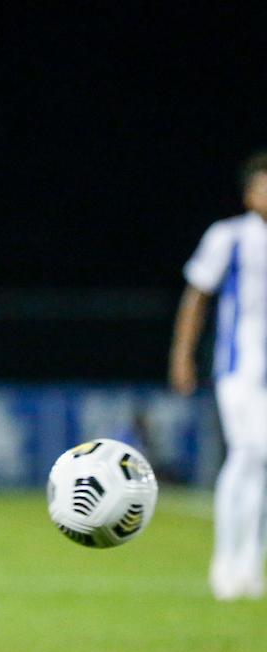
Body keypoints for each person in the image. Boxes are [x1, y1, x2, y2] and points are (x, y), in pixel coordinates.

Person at [170, 150, 267, 602]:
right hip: (239, 369)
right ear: (249, 194)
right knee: (247, 453)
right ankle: (225, 563)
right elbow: (197, 296)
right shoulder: (228, 237)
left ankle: (249, 565)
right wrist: (182, 355)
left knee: (260, 463)